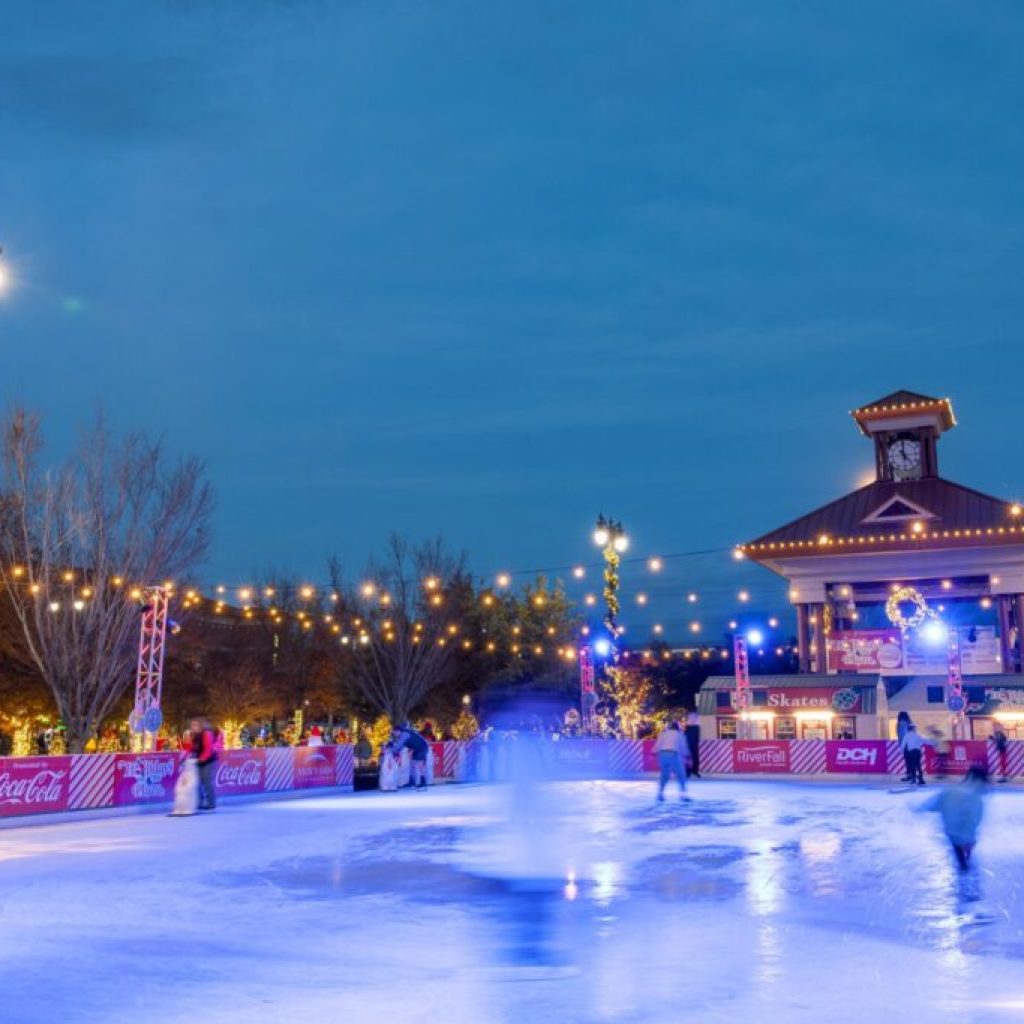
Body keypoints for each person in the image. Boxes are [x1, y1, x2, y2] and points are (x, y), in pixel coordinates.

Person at [918, 765, 989, 871]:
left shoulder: (950, 792)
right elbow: (976, 817)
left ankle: (963, 862)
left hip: (953, 830)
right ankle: (964, 860)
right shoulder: (974, 797)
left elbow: (934, 803)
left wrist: (920, 808)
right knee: (961, 844)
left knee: (957, 845)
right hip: (963, 830)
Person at [185, 718, 218, 810]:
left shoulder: (206, 734)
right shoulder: (193, 735)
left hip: (208, 761)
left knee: (206, 782)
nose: (194, 727)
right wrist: (186, 757)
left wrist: (202, 758)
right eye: (192, 725)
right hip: (198, 761)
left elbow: (208, 748)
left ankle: (211, 803)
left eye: (196, 725)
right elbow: (191, 748)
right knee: (197, 782)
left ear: (200, 726)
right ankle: (199, 802)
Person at [654, 721, 689, 802]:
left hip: (662, 754)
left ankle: (660, 794)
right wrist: (686, 756)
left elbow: (658, 745)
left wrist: (654, 752)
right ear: (678, 727)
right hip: (673, 754)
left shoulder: (664, 734)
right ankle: (683, 795)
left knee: (664, 775)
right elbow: (683, 747)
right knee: (680, 774)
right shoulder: (680, 735)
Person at [394, 724, 430, 789]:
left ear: (398, 731)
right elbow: (403, 745)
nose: (394, 734)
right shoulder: (403, 734)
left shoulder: (404, 734)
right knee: (412, 764)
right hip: (415, 748)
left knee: (420, 763)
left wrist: (392, 751)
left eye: (395, 732)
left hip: (422, 747)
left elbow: (399, 745)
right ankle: (412, 781)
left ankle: (423, 781)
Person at [896, 711, 913, 781]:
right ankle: (912, 775)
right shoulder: (910, 723)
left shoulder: (901, 724)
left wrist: (901, 745)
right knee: (911, 760)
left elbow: (901, 735)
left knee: (908, 760)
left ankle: (909, 775)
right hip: (912, 744)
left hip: (906, 744)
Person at [684, 711, 701, 778]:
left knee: (693, 757)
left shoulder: (695, 727)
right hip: (690, 742)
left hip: (692, 743)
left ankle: (693, 771)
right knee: (691, 757)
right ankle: (690, 772)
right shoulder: (690, 726)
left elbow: (696, 737)